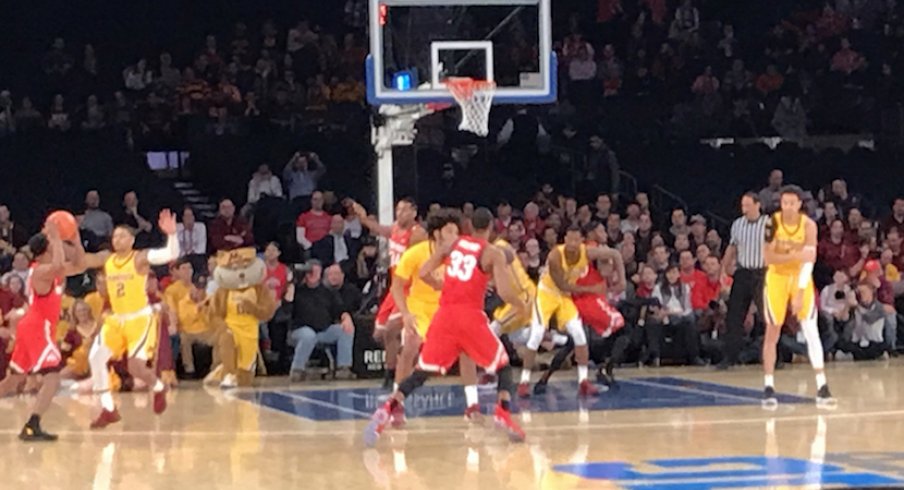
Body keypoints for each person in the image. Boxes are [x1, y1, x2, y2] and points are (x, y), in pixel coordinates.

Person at [363, 208, 529, 447]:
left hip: (444, 316)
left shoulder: (453, 245)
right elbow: (504, 292)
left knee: (421, 372)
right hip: (469, 315)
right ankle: (502, 412)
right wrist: (520, 303)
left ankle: (388, 407)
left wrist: (438, 284)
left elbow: (424, 272)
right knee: (502, 365)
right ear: (491, 228)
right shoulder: (492, 252)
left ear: (469, 226)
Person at [0, 221, 106, 441]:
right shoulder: (39, 272)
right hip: (38, 328)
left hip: (34, 327)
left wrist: (75, 238)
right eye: (54, 246)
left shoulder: (54, 270)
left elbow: (80, 264)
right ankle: (32, 425)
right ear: (47, 250)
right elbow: (59, 265)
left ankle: (33, 424)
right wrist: (57, 238)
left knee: (14, 379)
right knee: (53, 377)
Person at [88, 210, 180, 429]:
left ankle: (158, 387)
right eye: (115, 236)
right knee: (95, 358)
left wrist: (172, 234)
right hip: (116, 320)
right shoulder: (106, 259)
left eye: (122, 236)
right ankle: (108, 408)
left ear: (132, 239)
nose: (117, 239)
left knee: (135, 368)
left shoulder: (139, 258)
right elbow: (83, 260)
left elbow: (169, 253)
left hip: (139, 319)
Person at [390, 208, 480, 424]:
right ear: (437, 234)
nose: (455, 237)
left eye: (456, 232)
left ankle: (472, 404)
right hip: (419, 308)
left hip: (447, 309)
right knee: (411, 344)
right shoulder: (415, 254)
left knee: (467, 349)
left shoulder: (462, 255)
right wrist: (406, 314)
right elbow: (396, 287)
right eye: (450, 232)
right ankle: (396, 402)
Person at [519, 224, 623, 397]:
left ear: (581, 241)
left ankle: (583, 381)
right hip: (547, 294)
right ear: (565, 239)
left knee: (579, 335)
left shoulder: (587, 252)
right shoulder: (554, 256)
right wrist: (593, 290)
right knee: (537, 334)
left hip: (565, 296)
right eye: (570, 239)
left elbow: (615, 254)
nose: (573, 243)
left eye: (577, 240)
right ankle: (523, 382)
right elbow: (563, 285)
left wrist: (622, 280)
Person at [762, 185, 834, 409]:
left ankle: (822, 386)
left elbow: (810, 259)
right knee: (773, 329)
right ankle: (768, 385)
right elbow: (768, 258)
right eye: (785, 203)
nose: (789, 207)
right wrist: (795, 254)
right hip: (776, 279)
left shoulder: (809, 225)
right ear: (780, 204)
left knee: (810, 328)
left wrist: (801, 292)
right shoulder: (771, 222)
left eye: (793, 203)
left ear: (800, 204)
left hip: (800, 278)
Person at [352, 198, 426, 389]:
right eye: (397, 209)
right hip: (395, 288)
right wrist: (363, 219)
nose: (399, 213)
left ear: (414, 213)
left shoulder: (417, 234)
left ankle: (395, 373)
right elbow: (382, 230)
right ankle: (397, 367)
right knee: (379, 335)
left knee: (392, 330)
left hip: (410, 290)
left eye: (403, 210)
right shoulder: (395, 229)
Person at [719, 192, 767, 369]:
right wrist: (723, 270)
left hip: (763, 273)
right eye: (743, 205)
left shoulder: (769, 224)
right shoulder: (738, 224)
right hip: (742, 273)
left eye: (747, 205)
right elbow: (731, 248)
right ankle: (730, 357)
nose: (744, 208)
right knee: (734, 316)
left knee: (767, 317)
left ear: (757, 205)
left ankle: (773, 356)